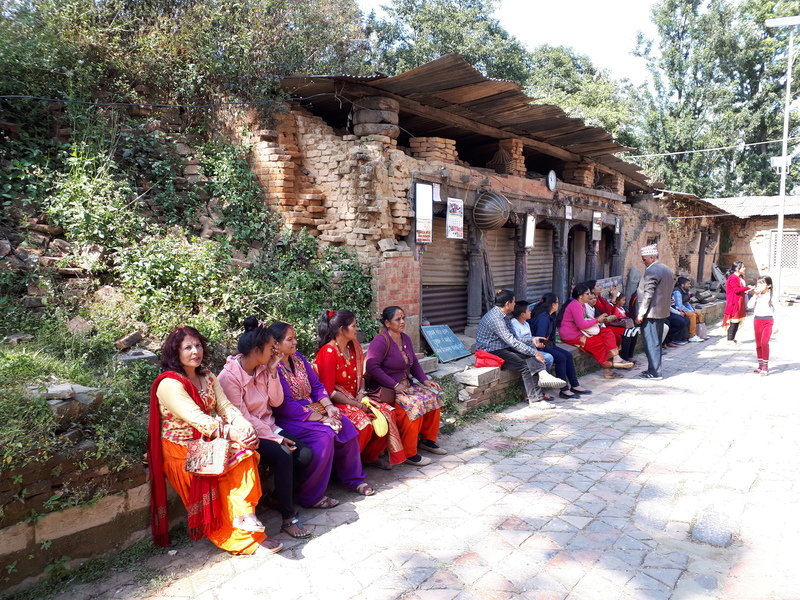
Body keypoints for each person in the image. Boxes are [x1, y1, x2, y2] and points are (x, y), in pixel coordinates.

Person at [147, 325, 282, 555]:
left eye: (198, 345)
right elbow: (197, 419)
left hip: (208, 441)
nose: (194, 351)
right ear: (175, 352)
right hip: (182, 449)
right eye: (187, 347)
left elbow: (226, 407)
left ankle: (245, 516)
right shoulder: (169, 384)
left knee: (247, 451)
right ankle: (242, 539)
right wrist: (232, 433)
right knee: (232, 463)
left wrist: (243, 426)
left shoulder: (207, 377)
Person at [217, 317, 313, 540]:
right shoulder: (229, 377)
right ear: (256, 349)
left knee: (306, 454)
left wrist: (271, 372)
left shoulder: (262, 368)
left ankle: (277, 498)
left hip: (269, 427)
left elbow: (276, 402)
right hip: (246, 433)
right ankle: (288, 518)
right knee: (283, 456)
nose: (275, 352)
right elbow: (242, 417)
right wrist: (276, 439)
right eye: (271, 348)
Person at [268, 321, 374, 509]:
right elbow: (284, 404)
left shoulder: (299, 359)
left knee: (345, 424)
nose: (295, 343)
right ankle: (311, 496)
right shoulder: (272, 368)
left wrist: (330, 407)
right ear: (275, 344)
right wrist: (324, 419)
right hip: (290, 418)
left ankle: (354, 479)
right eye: (289, 340)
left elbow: (317, 386)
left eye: (295, 338)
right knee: (324, 435)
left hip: (314, 408)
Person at [315, 309, 405, 469]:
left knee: (388, 412)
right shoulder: (328, 352)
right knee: (364, 422)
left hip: (358, 396)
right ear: (342, 330)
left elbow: (361, 377)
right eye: (354, 326)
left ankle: (370, 457)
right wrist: (355, 404)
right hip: (337, 403)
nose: (357, 329)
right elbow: (328, 391)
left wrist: (362, 394)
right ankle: (348, 466)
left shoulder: (353, 345)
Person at [365, 306, 446, 466]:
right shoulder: (381, 341)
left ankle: (427, 440)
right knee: (413, 406)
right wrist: (394, 384)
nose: (402, 322)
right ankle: (409, 453)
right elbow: (372, 367)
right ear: (388, 323)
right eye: (398, 319)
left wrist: (424, 380)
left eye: (403, 318)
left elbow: (414, 363)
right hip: (388, 388)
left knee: (433, 396)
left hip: (406, 385)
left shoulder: (405, 338)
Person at [475, 289, 566, 410]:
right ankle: (536, 400)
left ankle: (541, 380)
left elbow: (515, 339)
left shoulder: (503, 316)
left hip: (503, 347)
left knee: (532, 358)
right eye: (513, 302)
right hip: (491, 351)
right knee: (526, 365)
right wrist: (535, 352)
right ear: (507, 303)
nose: (515, 304)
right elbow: (512, 341)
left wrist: (533, 339)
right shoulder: (496, 318)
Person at [557, 284, 633, 379]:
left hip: (582, 331)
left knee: (607, 332)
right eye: (587, 294)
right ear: (580, 295)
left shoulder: (581, 305)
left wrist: (601, 320)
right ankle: (608, 369)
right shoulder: (575, 305)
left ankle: (616, 358)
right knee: (600, 343)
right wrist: (597, 320)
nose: (590, 296)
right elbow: (582, 324)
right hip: (572, 335)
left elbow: (585, 321)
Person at [530, 293, 591, 400]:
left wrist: (553, 347)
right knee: (561, 357)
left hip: (547, 344)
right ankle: (564, 390)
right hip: (539, 347)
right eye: (557, 302)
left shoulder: (550, 316)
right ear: (553, 304)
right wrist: (550, 348)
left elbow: (551, 338)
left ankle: (575, 385)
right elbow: (540, 339)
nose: (558, 304)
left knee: (568, 355)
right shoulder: (543, 318)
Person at [635, 244, 674, 380]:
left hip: (651, 313)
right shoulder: (667, 269)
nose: (643, 261)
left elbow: (648, 294)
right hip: (661, 312)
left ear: (652, 258)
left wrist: (641, 313)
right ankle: (653, 369)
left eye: (644, 259)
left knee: (651, 343)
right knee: (656, 342)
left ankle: (655, 372)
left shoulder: (652, 270)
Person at [510, 301, 555, 402]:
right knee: (544, 359)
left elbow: (530, 339)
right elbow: (516, 342)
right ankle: (530, 391)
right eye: (528, 310)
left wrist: (537, 343)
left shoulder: (526, 323)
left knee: (548, 358)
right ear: (522, 314)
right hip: (521, 352)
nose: (531, 312)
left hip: (530, 350)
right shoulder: (514, 324)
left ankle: (538, 389)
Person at [748, 276, 775, 375]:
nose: (759, 285)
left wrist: (777, 325)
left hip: (768, 320)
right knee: (758, 344)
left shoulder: (771, 296)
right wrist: (755, 295)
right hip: (757, 320)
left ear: (769, 285)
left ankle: (765, 366)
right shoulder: (757, 295)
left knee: (764, 343)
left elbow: (777, 311)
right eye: (758, 283)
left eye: (762, 283)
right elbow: (749, 306)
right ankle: (760, 365)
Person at [724, 261, 751, 344]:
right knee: (734, 320)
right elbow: (736, 290)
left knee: (737, 320)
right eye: (742, 267)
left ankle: (733, 338)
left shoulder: (740, 277)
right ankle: (730, 339)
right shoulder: (733, 277)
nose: (744, 268)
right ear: (737, 268)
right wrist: (747, 287)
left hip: (740, 300)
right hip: (734, 301)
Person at [673, 277, 706, 342]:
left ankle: (700, 333)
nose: (689, 285)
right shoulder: (677, 291)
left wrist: (692, 310)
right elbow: (679, 305)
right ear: (682, 285)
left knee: (698, 313)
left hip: (685, 308)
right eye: (688, 284)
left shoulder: (685, 290)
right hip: (678, 309)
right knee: (692, 315)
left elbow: (686, 302)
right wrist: (690, 311)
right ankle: (692, 336)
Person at [609, 293, 639, 363]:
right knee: (628, 333)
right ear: (617, 300)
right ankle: (624, 357)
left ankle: (630, 355)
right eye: (623, 300)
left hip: (622, 326)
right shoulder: (613, 308)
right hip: (615, 326)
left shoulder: (622, 308)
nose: (624, 302)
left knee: (635, 331)